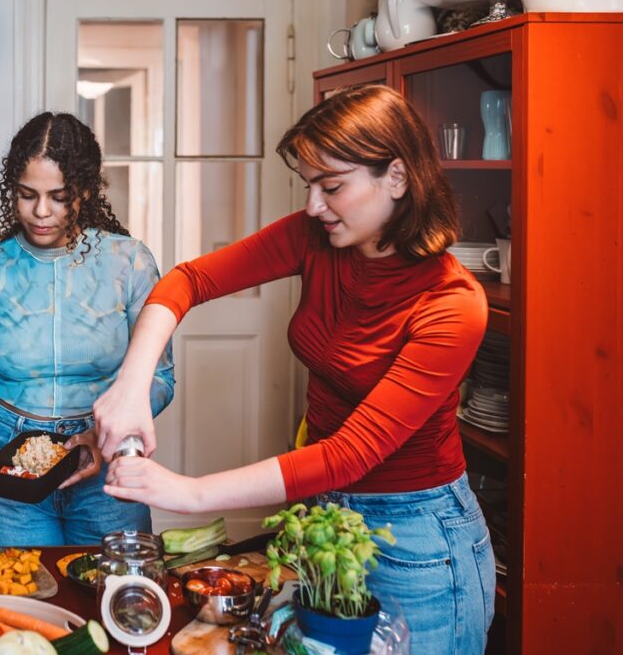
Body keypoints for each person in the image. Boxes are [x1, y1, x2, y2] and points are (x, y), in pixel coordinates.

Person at [95, 85, 495, 653]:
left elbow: (351, 453)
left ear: (398, 178)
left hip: (417, 536)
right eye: (309, 185)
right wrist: (132, 384)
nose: (313, 205)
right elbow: (189, 280)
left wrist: (190, 492)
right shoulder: (318, 238)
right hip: (324, 516)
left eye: (332, 186)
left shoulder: (453, 304)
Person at [0, 112, 175, 546]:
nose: (42, 212)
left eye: (59, 197)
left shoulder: (130, 263)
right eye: (27, 195)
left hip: (109, 466)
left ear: (84, 191)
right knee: (19, 599)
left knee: (114, 596)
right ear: (11, 192)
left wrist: (102, 434)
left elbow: (161, 377)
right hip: (11, 467)